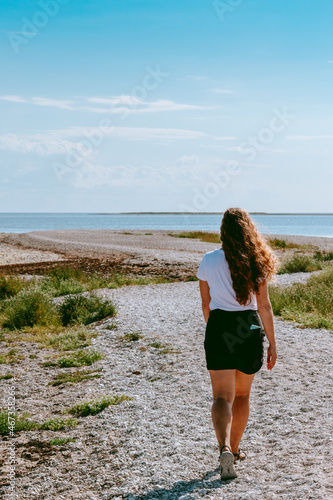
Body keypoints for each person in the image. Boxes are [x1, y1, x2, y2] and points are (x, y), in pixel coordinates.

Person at [197, 207, 279, 480]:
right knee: (242, 395)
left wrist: (216, 331)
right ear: (248, 230)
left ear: (223, 231)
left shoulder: (208, 260)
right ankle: (235, 447)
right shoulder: (257, 260)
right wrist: (273, 344)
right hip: (250, 325)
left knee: (222, 396)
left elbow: (206, 304)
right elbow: (265, 307)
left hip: (220, 325)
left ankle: (223, 448)